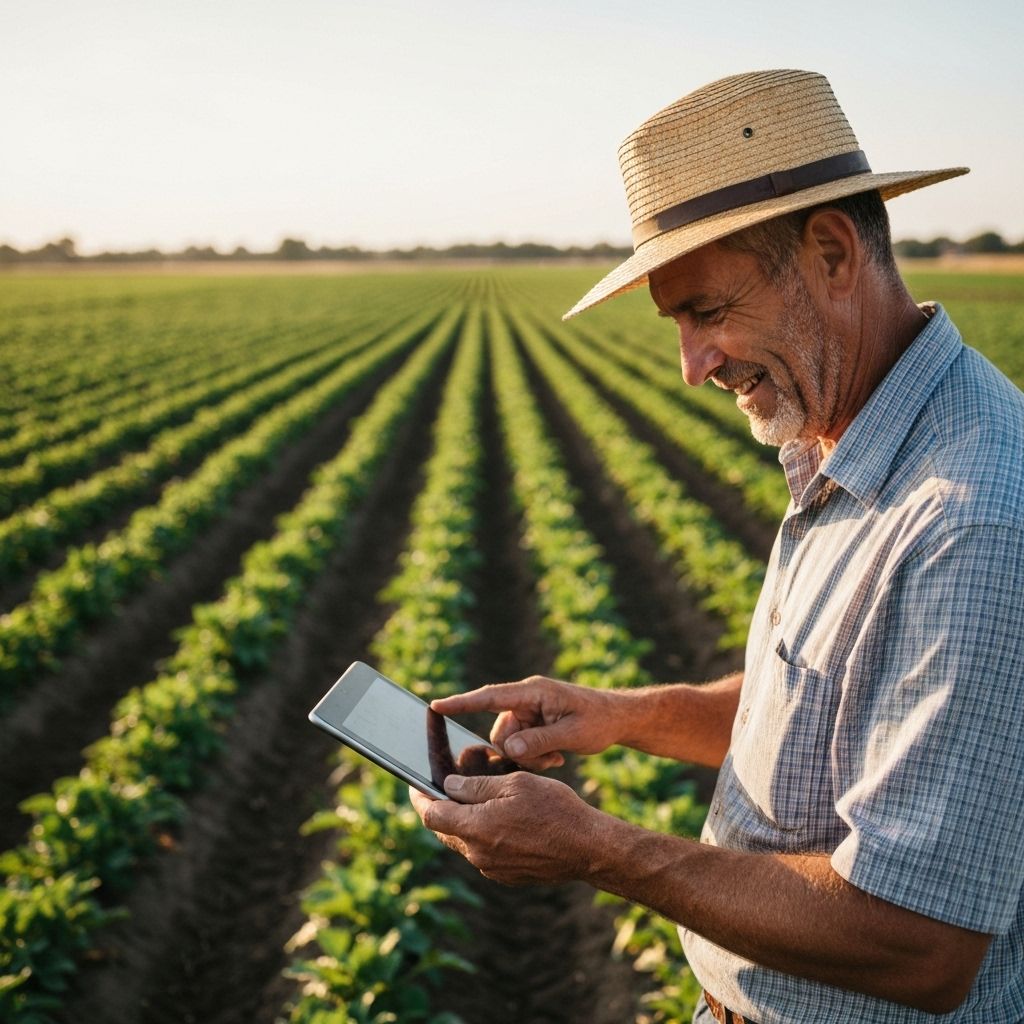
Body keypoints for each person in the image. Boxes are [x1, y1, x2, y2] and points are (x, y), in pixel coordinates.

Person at [409, 69, 1024, 1023]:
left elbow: (920, 943)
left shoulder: (969, 518)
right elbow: (844, 699)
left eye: (707, 312)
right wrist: (617, 713)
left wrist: (601, 850)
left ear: (831, 252)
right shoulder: (856, 437)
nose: (693, 368)